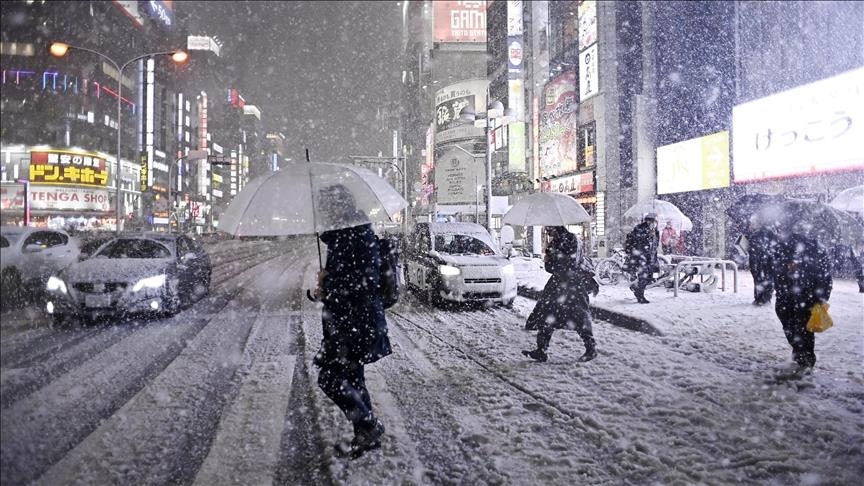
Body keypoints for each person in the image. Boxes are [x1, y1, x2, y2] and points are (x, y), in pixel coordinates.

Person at [313, 184, 392, 458]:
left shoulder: (356, 234)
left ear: (337, 208)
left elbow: (365, 281)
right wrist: (323, 288)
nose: (322, 212)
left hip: (357, 322)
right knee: (353, 378)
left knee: (331, 378)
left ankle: (369, 426)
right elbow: (347, 279)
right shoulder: (343, 235)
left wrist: (330, 283)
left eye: (325, 207)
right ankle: (365, 434)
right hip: (348, 321)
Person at [522, 226, 598, 363]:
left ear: (557, 227)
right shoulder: (554, 242)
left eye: (549, 229)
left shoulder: (572, 239)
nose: (548, 232)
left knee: (579, 316)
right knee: (547, 315)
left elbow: (571, 263)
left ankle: (591, 348)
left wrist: (554, 257)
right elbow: (550, 268)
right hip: (557, 284)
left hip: (572, 284)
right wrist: (548, 260)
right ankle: (541, 350)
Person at [770, 230, 832, 369]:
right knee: (793, 326)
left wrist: (821, 298)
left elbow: (824, 276)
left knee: (802, 328)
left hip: (805, 296)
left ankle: (805, 357)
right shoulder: (782, 246)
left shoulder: (813, 249)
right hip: (789, 295)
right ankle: (800, 352)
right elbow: (776, 270)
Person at [625, 213, 660, 304]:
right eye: (652, 221)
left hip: (650, 258)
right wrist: (647, 236)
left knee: (649, 278)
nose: (654, 223)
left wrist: (653, 257)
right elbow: (637, 242)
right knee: (643, 277)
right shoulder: (639, 229)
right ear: (647, 221)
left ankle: (636, 289)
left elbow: (655, 245)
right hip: (640, 257)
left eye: (655, 221)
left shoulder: (655, 231)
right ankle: (640, 296)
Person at [747, 222, 778, 305]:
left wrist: (753, 266)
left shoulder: (756, 235)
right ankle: (765, 298)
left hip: (761, 262)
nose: (751, 226)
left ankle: (760, 299)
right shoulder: (772, 234)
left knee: (759, 279)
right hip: (768, 262)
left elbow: (753, 252)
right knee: (768, 279)